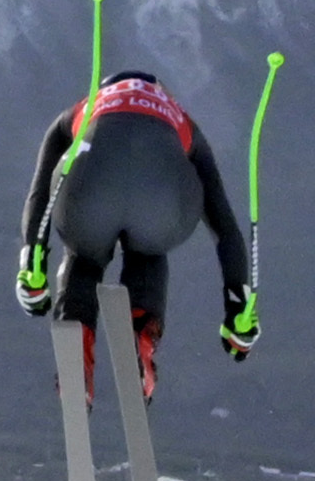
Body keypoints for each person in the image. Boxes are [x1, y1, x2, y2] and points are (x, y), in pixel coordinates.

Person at [17, 69, 255, 401]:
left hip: (87, 199)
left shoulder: (80, 110)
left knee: (84, 256)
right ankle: (141, 336)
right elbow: (224, 225)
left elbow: (39, 194)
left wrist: (32, 266)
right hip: (164, 206)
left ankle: (77, 346)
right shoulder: (180, 118)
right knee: (148, 252)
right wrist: (238, 310)